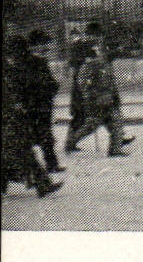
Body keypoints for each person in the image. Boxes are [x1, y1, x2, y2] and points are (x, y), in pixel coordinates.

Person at [3, 36, 61, 197]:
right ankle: (42, 182)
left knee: (21, 149)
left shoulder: (14, 68)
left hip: (17, 115)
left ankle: (43, 183)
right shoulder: (12, 68)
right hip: (14, 115)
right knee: (20, 150)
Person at [64, 41, 133, 156]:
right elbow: (82, 84)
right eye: (96, 49)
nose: (98, 50)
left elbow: (110, 83)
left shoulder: (104, 63)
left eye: (98, 49)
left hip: (108, 99)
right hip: (96, 102)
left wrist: (113, 96)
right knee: (92, 125)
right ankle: (71, 142)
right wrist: (92, 94)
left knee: (115, 123)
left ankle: (115, 149)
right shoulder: (89, 65)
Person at [20, 31, 63, 172]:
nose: (46, 48)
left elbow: (49, 83)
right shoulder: (29, 63)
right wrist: (51, 87)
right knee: (36, 136)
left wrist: (53, 86)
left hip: (41, 104)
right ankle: (42, 166)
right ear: (34, 46)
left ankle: (51, 164)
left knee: (44, 135)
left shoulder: (39, 61)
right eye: (43, 44)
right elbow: (34, 84)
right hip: (34, 105)